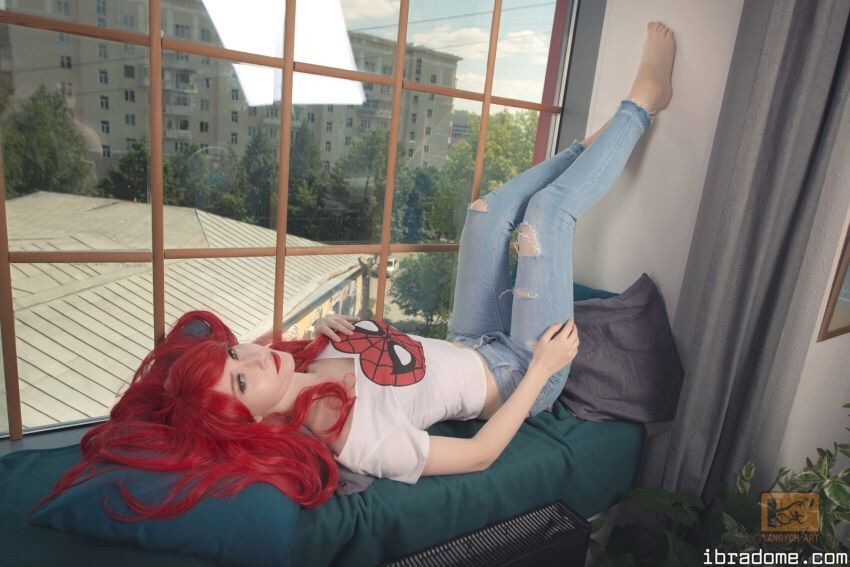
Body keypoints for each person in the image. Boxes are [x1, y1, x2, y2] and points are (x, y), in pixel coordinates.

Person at [38, 21, 676, 517]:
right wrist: (540, 370)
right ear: (248, 423)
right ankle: (643, 103)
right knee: (546, 216)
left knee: (483, 215)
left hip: (472, 340)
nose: (253, 358)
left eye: (233, 355)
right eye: (241, 382)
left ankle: (590, 145)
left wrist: (340, 335)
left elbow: (390, 362)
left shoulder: (311, 355)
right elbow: (479, 455)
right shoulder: (348, 437)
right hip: (519, 376)